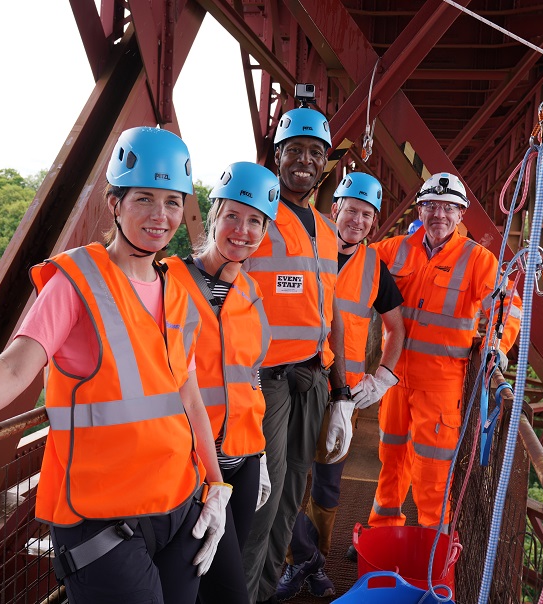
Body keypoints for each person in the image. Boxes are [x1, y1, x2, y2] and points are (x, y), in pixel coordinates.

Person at [0, 127, 229, 604]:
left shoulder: (177, 290)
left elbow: (189, 398)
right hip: (102, 517)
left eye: (173, 202)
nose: (160, 216)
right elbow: (16, 365)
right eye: (144, 199)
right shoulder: (77, 280)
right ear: (115, 203)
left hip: (179, 505)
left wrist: (216, 484)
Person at [276, 171, 405, 600]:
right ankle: (299, 559)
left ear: (373, 222)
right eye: (351, 209)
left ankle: (312, 561)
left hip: (344, 397)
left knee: (328, 485)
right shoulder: (311, 247)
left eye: (367, 214)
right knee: (286, 477)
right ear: (335, 209)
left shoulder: (374, 266)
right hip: (301, 382)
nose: (357, 220)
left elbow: (396, 327)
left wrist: (384, 375)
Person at [368, 172, 522, 530]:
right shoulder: (394, 250)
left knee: (432, 474)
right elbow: (351, 266)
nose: (439, 214)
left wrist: (496, 347)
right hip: (393, 378)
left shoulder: (477, 259)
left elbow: (506, 308)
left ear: (461, 214)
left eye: (449, 207)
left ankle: (429, 551)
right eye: (431, 206)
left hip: (440, 385)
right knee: (391, 458)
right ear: (420, 210)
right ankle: (383, 532)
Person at [240, 106, 348, 604]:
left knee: (291, 495)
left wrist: (343, 388)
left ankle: (261, 592)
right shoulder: (258, 214)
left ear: (325, 164)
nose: (304, 160)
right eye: (295, 150)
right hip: (266, 380)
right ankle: (241, 593)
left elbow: (333, 311)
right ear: (278, 157)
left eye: (314, 152)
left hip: (312, 378)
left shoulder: (327, 229)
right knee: (264, 496)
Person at [162, 162, 280, 603]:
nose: (242, 230)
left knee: (215, 589)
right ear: (213, 216)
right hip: (189, 470)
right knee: (215, 591)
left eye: (255, 222)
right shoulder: (168, 280)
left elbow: (250, 377)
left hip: (244, 465)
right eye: (232, 215)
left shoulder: (251, 293)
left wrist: (262, 452)